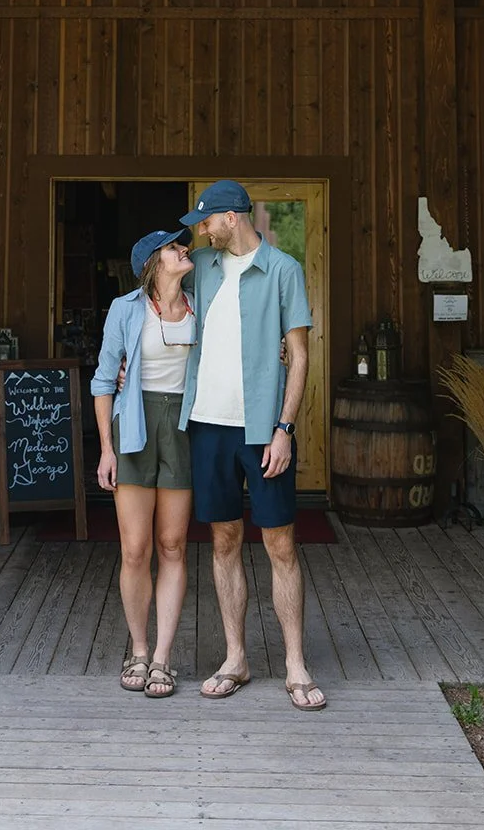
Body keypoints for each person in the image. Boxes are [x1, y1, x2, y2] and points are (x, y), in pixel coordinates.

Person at [178, 179, 326, 711]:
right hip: (206, 424)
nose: (200, 229)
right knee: (223, 541)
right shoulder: (202, 267)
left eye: (206, 220)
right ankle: (235, 657)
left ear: (232, 218)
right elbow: (153, 273)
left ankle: (295, 663)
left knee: (280, 544)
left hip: (263, 429)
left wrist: (285, 428)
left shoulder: (283, 270)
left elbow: (300, 356)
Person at [90, 226, 196, 698]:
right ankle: (137, 648)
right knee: (135, 549)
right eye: (175, 247)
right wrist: (106, 449)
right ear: (154, 263)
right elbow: (102, 382)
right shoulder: (125, 309)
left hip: (183, 427)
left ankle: (162, 658)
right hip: (132, 424)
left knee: (172, 545)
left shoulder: (201, 305)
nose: (184, 250)